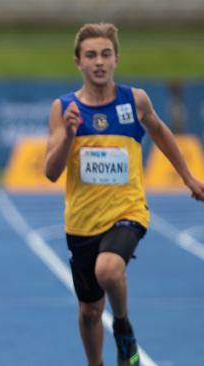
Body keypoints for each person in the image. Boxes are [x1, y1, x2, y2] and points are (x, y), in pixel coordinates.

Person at [44, 22, 204, 366]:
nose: (99, 62)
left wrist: (188, 176)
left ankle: (122, 326)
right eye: (91, 55)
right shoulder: (65, 108)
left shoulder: (135, 100)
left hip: (127, 211)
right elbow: (51, 172)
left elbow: (161, 132)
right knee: (88, 310)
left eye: (106, 54)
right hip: (82, 222)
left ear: (116, 59)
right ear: (78, 62)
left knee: (109, 270)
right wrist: (69, 134)